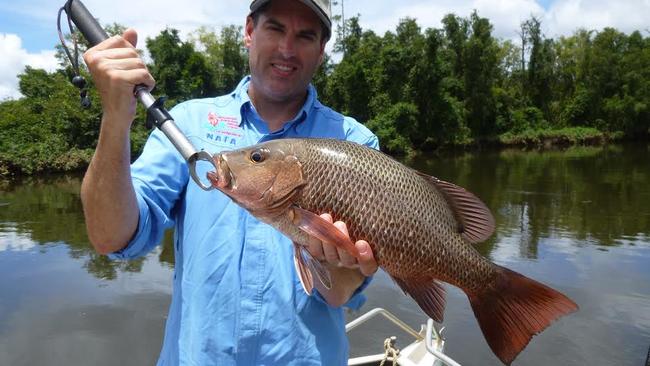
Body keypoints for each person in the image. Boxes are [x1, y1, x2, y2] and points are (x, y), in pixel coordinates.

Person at [80, 0, 379, 365]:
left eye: (305, 35)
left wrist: (334, 258)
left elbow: (339, 293)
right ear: (249, 32)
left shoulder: (354, 143)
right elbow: (111, 236)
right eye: (275, 28)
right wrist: (115, 117)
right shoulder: (187, 125)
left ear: (321, 52)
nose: (287, 49)